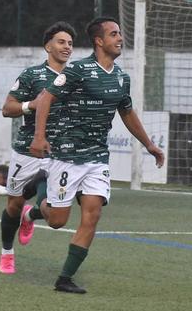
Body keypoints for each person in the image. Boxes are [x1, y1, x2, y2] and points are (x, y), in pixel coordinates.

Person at [30, 16, 165, 294]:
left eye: (120, 34)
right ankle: (35, 205)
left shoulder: (120, 77)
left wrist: (149, 144)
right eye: (114, 34)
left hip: (97, 158)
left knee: (92, 215)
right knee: (57, 221)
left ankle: (64, 278)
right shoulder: (78, 70)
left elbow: (126, 112)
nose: (120, 38)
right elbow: (45, 98)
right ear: (99, 41)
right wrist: (39, 136)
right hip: (66, 153)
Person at [0, 21, 76, 274]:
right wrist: (31, 105)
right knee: (13, 206)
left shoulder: (76, 77)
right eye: (61, 42)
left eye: (70, 43)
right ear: (48, 46)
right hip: (27, 151)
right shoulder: (32, 75)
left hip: (59, 154)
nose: (67, 47)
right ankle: (7, 252)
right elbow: (7, 108)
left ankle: (31, 217)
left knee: (55, 215)